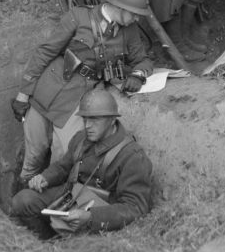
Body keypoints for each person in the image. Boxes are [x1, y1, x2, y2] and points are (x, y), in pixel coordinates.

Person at [10, 0, 153, 186]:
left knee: (63, 155)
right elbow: (45, 52)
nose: (136, 19)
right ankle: (21, 202)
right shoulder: (79, 17)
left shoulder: (128, 31)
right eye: (134, 13)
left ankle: (49, 208)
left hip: (78, 100)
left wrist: (138, 74)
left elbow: (143, 59)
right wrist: (23, 94)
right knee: (34, 154)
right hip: (48, 91)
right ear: (120, 7)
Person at [11, 87, 153, 239]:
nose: (87, 126)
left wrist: (91, 217)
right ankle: (49, 242)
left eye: (94, 119)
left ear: (112, 120)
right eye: (85, 119)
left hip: (101, 213)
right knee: (22, 201)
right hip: (72, 195)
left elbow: (135, 208)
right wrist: (45, 178)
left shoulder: (132, 156)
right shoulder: (81, 138)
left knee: (84, 246)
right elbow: (63, 167)